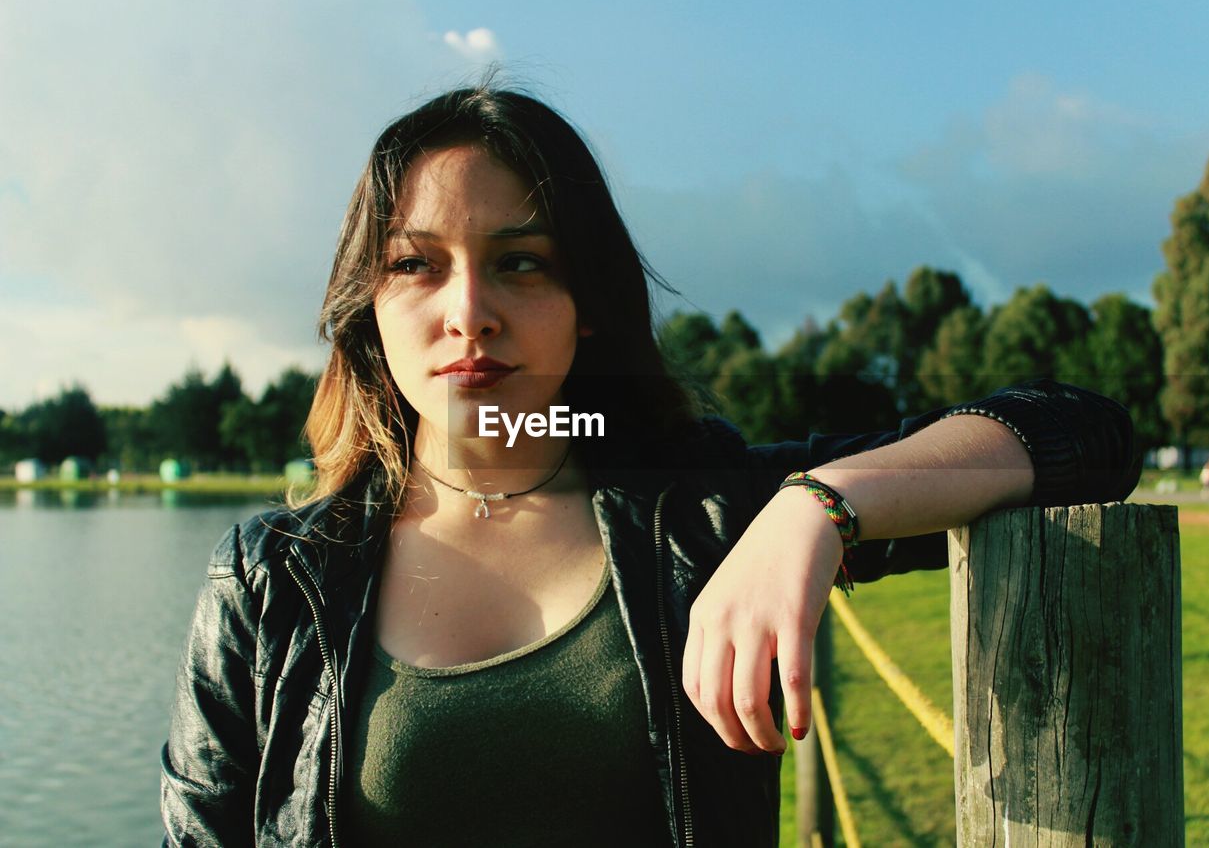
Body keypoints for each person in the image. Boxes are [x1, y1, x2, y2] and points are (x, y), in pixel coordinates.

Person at [159, 85, 1140, 847]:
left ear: (587, 301)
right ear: (366, 303)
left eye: (522, 260)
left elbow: (1080, 435)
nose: (469, 311)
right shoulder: (270, 579)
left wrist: (815, 508)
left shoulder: (699, 512)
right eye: (417, 263)